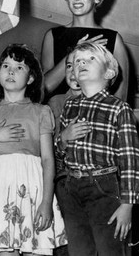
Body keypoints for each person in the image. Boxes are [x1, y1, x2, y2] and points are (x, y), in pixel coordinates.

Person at [0, 44, 67, 255]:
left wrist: (46, 201)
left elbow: (47, 160)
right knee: (5, 251)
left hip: (33, 189)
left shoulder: (41, 112)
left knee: (36, 249)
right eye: (6, 65)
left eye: (19, 67)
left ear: (31, 78)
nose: (10, 71)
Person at [56, 41, 139, 256]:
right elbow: (60, 154)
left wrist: (127, 204)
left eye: (90, 59)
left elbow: (130, 159)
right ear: (73, 73)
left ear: (109, 71)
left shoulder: (119, 108)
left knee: (110, 249)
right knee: (79, 251)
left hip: (104, 188)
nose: (82, 62)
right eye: (77, 61)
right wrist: (62, 139)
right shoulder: (69, 106)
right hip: (71, 187)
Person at [41, 0, 129, 102]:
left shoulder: (113, 39)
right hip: (59, 116)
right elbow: (43, 88)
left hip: (99, 117)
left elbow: (121, 94)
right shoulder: (53, 35)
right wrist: (74, 54)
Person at [48, 50, 81, 256]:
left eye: (81, 64)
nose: (74, 71)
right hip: (65, 187)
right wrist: (62, 140)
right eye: (69, 66)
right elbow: (46, 152)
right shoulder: (55, 103)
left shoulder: (108, 105)